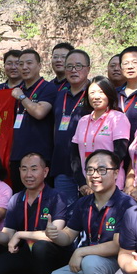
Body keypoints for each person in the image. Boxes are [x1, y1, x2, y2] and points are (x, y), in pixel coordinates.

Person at [39, 150, 136, 274]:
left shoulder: (126, 204)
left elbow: (117, 245)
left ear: (116, 173)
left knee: (91, 261)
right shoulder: (84, 203)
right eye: (90, 170)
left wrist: (81, 252)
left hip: (118, 269)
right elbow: (68, 236)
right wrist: (55, 235)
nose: (94, 175)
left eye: (102, 170)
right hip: (91, 268)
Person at [9, 49, 57, 192]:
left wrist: (22, 97)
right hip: (17, 156)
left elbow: (39, 112)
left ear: (39, 65)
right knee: (19, 197)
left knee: (41, 198)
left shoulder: (48, 88)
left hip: (40, 156)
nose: (24, 67)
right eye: (21, 64)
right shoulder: (16, 90)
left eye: (29, 63)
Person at [71, 76, 130, 193]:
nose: (96, 96)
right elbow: (74, 155)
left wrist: (101, 177)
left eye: (101, 92)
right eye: (92, 93)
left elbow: (120, 152)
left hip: (110, 184)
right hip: (87, 185)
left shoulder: (118, 118)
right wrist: (82, 183)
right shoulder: (83, 121)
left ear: (109, 94)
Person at [50, 49, 91, 207]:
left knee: (89, 211)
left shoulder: (94, 94)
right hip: (62, 164)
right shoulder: (60, 95)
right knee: (64, 211)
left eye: (78, 66)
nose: (73, 70)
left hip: (87, 166)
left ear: (88, 68)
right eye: (69, 66)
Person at [117, 46, 137, 139]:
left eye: (135, 62)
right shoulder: (113, 94)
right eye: (125, 63)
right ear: (120, 67)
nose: (130, 67)